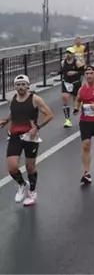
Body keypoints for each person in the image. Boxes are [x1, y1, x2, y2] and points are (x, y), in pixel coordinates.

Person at [0, 75, 54, 206]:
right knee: (12, 167)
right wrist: (6, 120)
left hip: (30, 136)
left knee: (30, 167)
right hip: (14, 135)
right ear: (15, 86)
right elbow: (14, 112)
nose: (20, 87)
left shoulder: (35, 99)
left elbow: (50, 114)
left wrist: (37, 127)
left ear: (28, 85)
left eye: (23, 84)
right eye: (18, 85)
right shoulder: (13, 98)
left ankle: (32, 191)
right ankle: (22, 185)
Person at [60, 47, 85, 128]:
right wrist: (56, 73)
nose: (68, 54)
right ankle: (67, 120)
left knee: (76, 100)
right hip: (66, 82)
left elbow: (83, 72)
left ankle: (79, 111)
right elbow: (63, 71)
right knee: (65, 98)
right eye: (67, 52)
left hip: (75, 83)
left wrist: (75, 72)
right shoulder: (63, 62)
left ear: (73, 54)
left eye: (70, 53)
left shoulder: (77, 62)